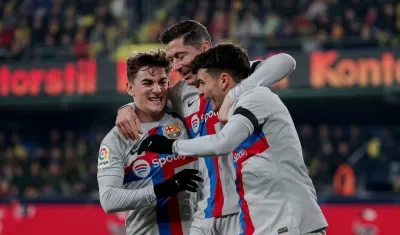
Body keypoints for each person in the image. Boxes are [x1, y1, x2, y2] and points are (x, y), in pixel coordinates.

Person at [116, 20, 296, 235]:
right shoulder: (180, 94)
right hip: (205, 212)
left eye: (181, 56)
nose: (175, 66)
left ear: (204, 50)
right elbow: (148, 99)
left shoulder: (235, 79)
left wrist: (234, 95)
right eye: (172, 59)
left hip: (244, 210)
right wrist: (126, 108)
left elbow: (286, 62)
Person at [138, 43, 328, 235]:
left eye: (203, 83)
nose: (201, 92)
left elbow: (223, 142)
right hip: (265, 226)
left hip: (291, 224)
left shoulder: (256, 97)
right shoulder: (236, 110)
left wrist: (172, 146)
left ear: (223, 80)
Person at [97, 49, 203, 235]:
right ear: (130, 88)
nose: (157, 89)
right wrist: (163, 189)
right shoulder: (116, 140)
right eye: (147, 83)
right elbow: (109, 199)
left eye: (162, 82)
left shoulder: (183, 114)